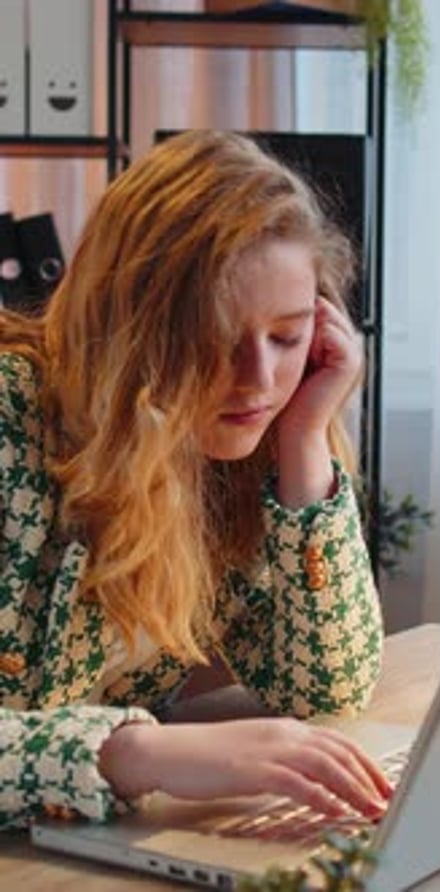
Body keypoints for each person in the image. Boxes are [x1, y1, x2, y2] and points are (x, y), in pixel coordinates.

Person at [0, 129, 390, 832]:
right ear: (132, 323)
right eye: (216, 337)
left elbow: (325, 686)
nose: (260, 381)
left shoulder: (234, 457)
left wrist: (303, 441)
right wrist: (136, 752)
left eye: (288, 335)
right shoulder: (11, 418)